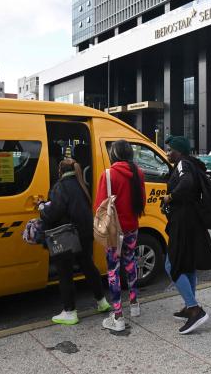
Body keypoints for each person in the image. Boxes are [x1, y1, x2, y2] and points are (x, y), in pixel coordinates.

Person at [40, 158, 110, 325]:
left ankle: (70, 312)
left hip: (67, 235)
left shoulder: (61, 187)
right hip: (84, 233)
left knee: (65, 272)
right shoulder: (81, 184)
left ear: (60, 170)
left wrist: (42, 208)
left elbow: (53, 213)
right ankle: (102, 302)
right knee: (88, 266)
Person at [161, 135, 211, 334]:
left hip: (183, 222)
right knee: (189, 264)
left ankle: (194, 309)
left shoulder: (183, 164)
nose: (167, 153)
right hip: (192, 220)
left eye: (170, 149)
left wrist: (170, 197)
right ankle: (189, 304)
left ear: (180, 151)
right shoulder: (189, 163)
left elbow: (187, 183)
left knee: (171, 264)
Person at [94, 139, 146, 332]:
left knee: (113, 270)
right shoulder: (138, 173)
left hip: (114, 230)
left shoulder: (108, 175)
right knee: (131, 262)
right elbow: (142, 200)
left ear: (114, 154)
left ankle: (118, 316)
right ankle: (134, 304)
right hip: (133, 226)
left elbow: (100, 206)